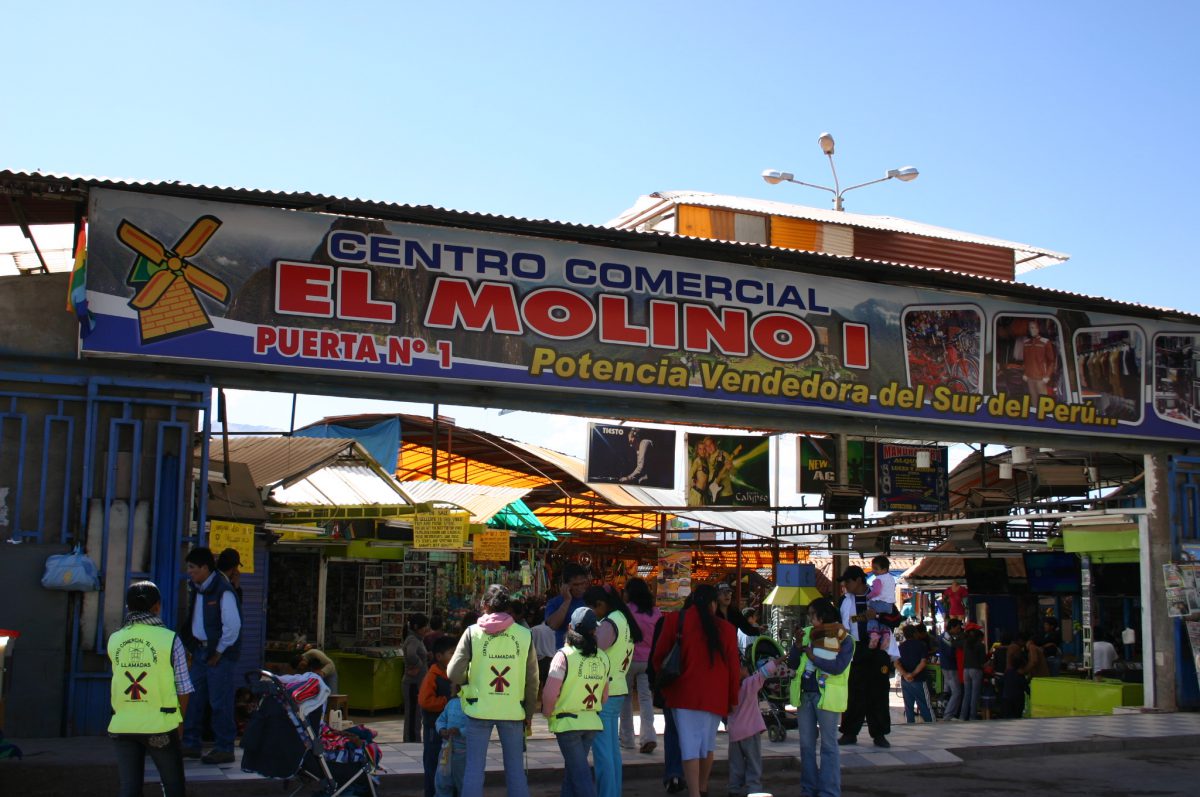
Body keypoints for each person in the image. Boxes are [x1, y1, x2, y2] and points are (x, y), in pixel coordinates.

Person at [447, 584, 539, 797]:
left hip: (478, 708)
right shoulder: (525, 635)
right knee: (516, 770)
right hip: (513, 710)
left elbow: (453, 672)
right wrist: (529, 713)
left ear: (485, 605)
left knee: (474, 769)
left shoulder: (472, 633)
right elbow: (532, 680)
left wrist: (468, 681)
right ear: (508, 607)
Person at [651, 583, 739, 797]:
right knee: (707, 745)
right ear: (712, 604)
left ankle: (694, 793)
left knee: (689, 746)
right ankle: (702, 787)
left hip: (683, 695)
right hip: (714, 697)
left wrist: (665, 686)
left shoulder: (675, 621)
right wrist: (733, 699)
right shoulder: (726, 629)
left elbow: (658, 658)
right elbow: (733, 668)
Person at [108, 580, 193, 797]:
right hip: (161, 725)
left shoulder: (115, 639)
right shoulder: (170, 639)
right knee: (173, 787)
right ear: (157, 606)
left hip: (123, 724)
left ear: (128, 608)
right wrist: (180, 722)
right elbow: (183, 688)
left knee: (129, 788)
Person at [180, 546, 241, 764]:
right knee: (195, 698)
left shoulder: (222, 590)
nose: (190, 572)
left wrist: (218, 652)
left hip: (219, 654)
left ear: (205, 567)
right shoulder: (198, 588)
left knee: (219, 701)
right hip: (200, 651)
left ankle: (224, 747)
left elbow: (232, 627)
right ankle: (190, 743)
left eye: (193, 568)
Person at [788, 597, 853, 797]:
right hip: (805, 696)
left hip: (828, 697)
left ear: (822, 616)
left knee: (828, 746)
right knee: (806, 746)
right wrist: (797, 646)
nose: (810, 620)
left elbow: (838, 667)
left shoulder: (844, 638)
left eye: (812, 616)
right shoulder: (807, 634)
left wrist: (814, 657)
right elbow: (792, 663)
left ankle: (829, 791)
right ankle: (808, 789)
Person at [543, 606, 611, 797]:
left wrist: (547, 713)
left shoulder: (563, 656)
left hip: (567, 724)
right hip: (591, 723)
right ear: (594, 631)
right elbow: (604, 696)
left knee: (580, 775)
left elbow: (550, 694)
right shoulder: (603, 658)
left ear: (570, 627)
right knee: (573, 772)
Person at [583, 585, 642, 797]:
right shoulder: (623, 619)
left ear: (599, 605)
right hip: (618, 689)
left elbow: (591, 651)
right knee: (612, 751)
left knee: (603, 753)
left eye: (591, 609)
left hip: (604, 692)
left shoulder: (609, 624)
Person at [837, 566, 897, 748]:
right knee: (854, 692)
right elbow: (846, 622)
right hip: (856, 648)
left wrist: (877, 615)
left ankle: (879, 733)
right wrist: (862, 618)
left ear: (858, 580)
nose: (845, 585)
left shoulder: (881, 596)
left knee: (878, 692)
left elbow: (895, 618)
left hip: (878, 649)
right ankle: (849, 732)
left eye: (848, 581)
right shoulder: (844, 600)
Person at [726, 654, 779, 797]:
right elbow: (764, 672)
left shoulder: (727, 688)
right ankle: (753, 787)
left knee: (735, 763)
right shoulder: (749, 684)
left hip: (734, 733)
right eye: (743, 667)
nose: (746, 669)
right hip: (751, 731)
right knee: (753, 762)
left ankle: (734, 788)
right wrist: (778, 660)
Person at [620, 576, 661, 754]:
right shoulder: (655, 612)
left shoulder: (625, 611)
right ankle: (649, 737)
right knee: (646, 699)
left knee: (626, 699)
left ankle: (627, 739)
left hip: (627, 661)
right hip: (648, 661)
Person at [419, 636, 457, 797]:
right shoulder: (433, 676)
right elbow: (425, 701)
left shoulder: (453, 674)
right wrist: (447, 701)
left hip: (447, 730)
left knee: (448, 765)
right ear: (439, 656)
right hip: (433, 729)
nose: (455, 656)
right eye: (451, 653)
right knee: (433, 763)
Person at [545, 562, 590, 650]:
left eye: (583, 583)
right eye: (576, 584)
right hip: (566, 654)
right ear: (565, 585)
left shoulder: (591, 599)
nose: (580, 588)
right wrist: (567, 601)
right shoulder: (555, 602)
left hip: (587, 653)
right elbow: (553, 625)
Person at [434, 686, 468, 797]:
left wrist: (460, 732)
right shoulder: (451, 703)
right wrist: (442, 729)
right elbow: (441, 719)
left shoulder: (473, 706)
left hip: (463, 752)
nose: (450, 686)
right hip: (446, 750)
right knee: (442, 781)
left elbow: (477, 728)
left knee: (463, 783)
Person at [895, 623, 933, 723]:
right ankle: (931, 724)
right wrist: (913, 674)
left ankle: (910, 725)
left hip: (905, 681)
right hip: (919, 679)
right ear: (915, 633)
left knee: (908, 705)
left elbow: (896, 663)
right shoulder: (921, 645)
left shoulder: (901, 647)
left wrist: (905, 675)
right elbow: (923, 662)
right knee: (925, 704)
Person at [403, 613, 431, 744]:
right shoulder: (413, 639)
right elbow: (411, 654)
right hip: (412, 683)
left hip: (418, 682)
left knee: (416, 713)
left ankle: (414, 739)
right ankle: (411, 741)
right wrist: (419, 665)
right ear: (416, 626)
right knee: (413, 714)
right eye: (424, 626)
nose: (427, 628)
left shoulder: (417, 639)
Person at [864, 555, 898, 650]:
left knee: (871, 617)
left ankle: (874, 634)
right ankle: (886, 636)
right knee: (883, 620)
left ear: (884, 569)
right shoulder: (891, 578)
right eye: (873, 568)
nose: (873, 571)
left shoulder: (878, 579)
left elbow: (876, 592)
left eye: (876, 568)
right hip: (889, 606)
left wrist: (868, 596)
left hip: (879, 603)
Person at [1021, 319, 1058, 401]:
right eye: (1031, 328)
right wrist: (1025, 373)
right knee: (1034, 401)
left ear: (1038, 329)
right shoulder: (1026, 343)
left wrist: (1047, 376)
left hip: (1041, 378)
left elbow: (1051, 361)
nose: (1033, 330)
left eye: (1034, 327)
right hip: (1029, 378)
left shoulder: (1045, 342)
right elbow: (1025, 361)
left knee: (1043, 402)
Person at [937, 618, 964, 721]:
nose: (959, 630)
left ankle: (950, 713)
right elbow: (950, 653)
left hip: (945, 667)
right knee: (956, 692)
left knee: (949, 691)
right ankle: (948, 715)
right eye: (957, 628)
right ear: (952, 627)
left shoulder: (943, 637)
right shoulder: (947, 638)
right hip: (950, 668)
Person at [959, 623, 987, 720]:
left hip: (966, 670)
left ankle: (962, 716)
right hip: (976, 670)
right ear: (979, 636)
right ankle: (972, 716)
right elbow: (983, 662)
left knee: (967, 694)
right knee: (975, 694)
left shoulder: (966, 643)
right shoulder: (980, 645)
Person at [530, 613, 559, 694]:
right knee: (547, 688)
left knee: (535, 687)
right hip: (551, 660)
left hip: (538, 660)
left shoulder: (533, 629)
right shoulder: (552, 630)